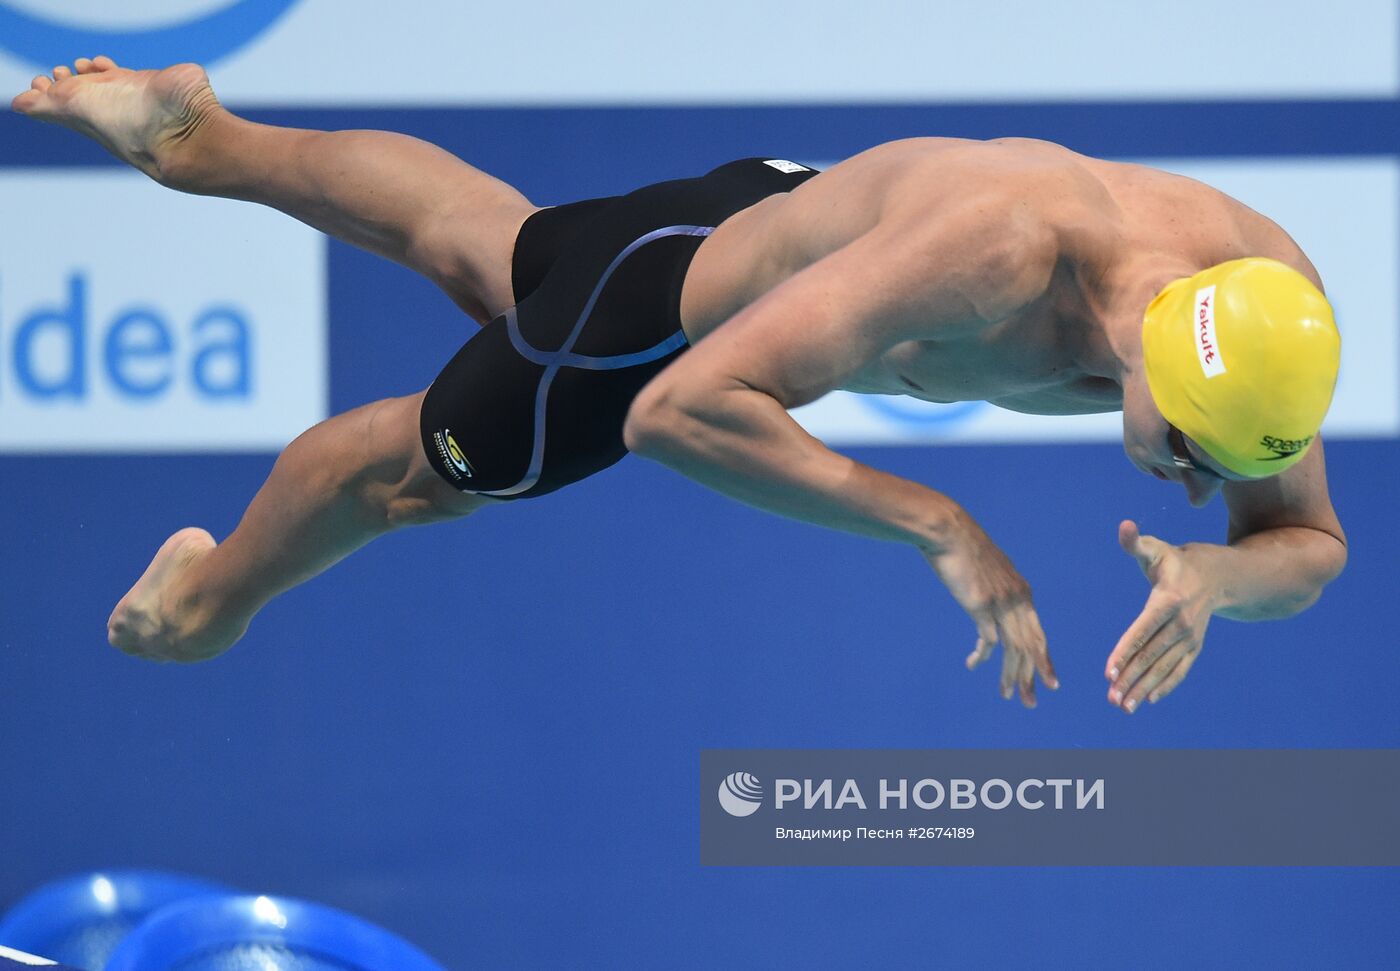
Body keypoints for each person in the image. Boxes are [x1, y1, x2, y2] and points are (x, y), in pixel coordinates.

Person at [11, 58, 1347, 715]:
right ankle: (210, 593)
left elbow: (1309, 540)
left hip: (768, 212)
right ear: (1160, 350)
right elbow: (681, 413)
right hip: (670, 315)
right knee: (426, 472)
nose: (1197, 481)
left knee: (505, 256)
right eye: (1185, 450)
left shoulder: (1263, 297)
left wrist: (1219, 578)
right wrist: (940, 524)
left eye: (1217, 465)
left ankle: (202, 134)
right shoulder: (1001, 256)